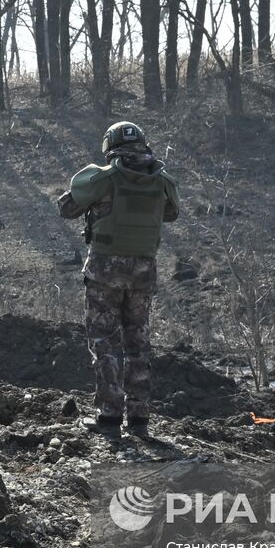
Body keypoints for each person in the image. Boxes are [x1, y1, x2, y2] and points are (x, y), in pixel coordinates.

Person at [57, 122, 180, 437]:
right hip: (143, 273)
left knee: (106, 342)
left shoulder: (105, 178)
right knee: (138, 342)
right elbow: (170, 214)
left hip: (105, 272)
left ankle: (109, 417)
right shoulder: (162, 181)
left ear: (109, 146)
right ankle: (139, 419)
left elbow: (67, 207)